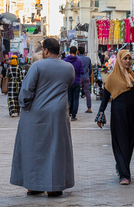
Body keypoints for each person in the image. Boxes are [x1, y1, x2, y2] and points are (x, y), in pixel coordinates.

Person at [10, 38, 75, 197]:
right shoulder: (69, 67)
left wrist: (24, 106)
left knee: (34, 149)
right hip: (59, 113)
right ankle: (55, 187)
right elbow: (69, 84)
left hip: (36, 113)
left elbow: (26, 90)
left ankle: (34, 186)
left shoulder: (37, 66)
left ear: (46, 50)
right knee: (57, 149)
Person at [95, 50, 134, 185]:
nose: (128, 61)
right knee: (120, 143)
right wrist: (100, 114)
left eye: (129, 58)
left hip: (132, 115)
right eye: (125, 58)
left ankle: (122, 167)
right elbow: (105, 98)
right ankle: (124, 175)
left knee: (129, 143)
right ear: (119, 60)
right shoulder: (112, 77)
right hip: (118, 114)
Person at [64, 46, 84, 121]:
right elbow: (82, 72)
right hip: (77, 82)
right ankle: (73, 115)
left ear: (69, 51)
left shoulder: (65, 60)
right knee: (75, 99)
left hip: (68, 82)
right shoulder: (79, 61)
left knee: (68, 98)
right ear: (76, 52)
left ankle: (68, 112)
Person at [77, 46, 92, 113]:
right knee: (87, 93)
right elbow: (90, 69)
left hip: (78, 78)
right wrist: (88, 76)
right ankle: (89, 108)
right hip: (86, 78)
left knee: (76, 94)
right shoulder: (88, 59)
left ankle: (75, 109)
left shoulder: (77, 59)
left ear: (78, 51)